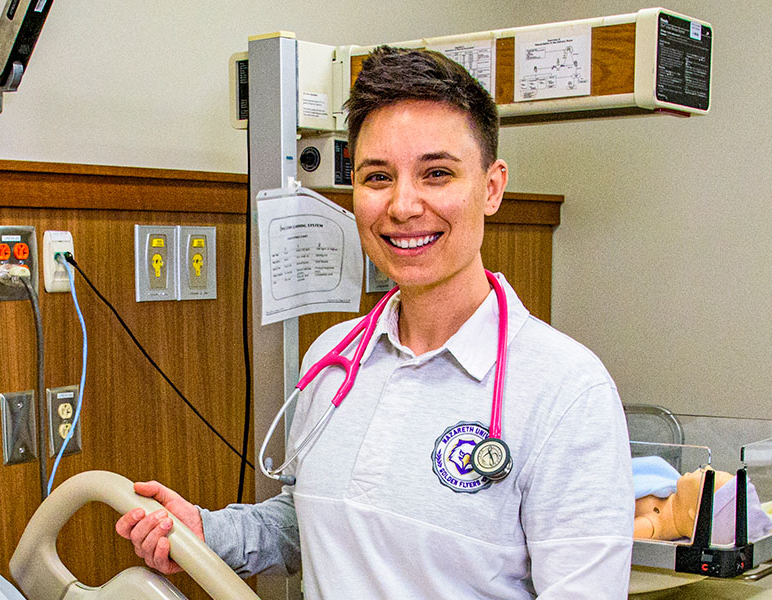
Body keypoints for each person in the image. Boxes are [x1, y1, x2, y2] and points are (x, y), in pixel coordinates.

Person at [116, 45, 634, 598]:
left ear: (491, 187)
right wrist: (207, 532)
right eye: (378, 177)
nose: (403, 206)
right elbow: (310, 522)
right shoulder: (333, 358)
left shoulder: (566, 393)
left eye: (436, 173)